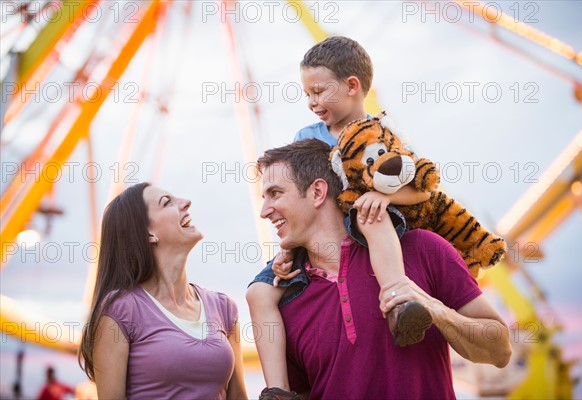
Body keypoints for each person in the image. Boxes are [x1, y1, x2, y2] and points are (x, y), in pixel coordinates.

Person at [246, 36, 432, 398]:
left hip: (369, 219)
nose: (312, 102)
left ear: (352, 86)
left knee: (369, 216)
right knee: (258, 293)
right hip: (318, 233)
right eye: (307, 94)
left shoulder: (384, 134)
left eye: (318, 91)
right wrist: (285, 253)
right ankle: (278, 390)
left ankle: (398, 301)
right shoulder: (307, 137)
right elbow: (299, 199)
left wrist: (381, 194)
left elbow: (422, 187)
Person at [254, 139, 512, 399]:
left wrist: (438, 311)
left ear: (318, 192)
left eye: (275, 194)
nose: (264, 211)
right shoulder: (285, 302)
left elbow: (501, 350)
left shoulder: (423, 249)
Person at [78, 183, 247, 400]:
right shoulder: (120, 310)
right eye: (167, 202)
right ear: (148, 233)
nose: (186, 202)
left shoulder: (224, 308)